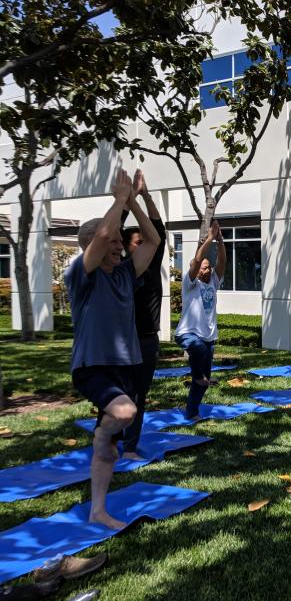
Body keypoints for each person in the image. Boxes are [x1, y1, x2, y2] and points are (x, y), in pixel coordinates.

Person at [66, 168, 161, 529]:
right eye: (114, 243)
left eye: (121, 243)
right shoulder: (82, 274)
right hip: (93, 365)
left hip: (126, 364)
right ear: (94, 246)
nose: (120, 245)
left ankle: (98, 510)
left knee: (110, 444)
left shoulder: (124, 273)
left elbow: (151, 241)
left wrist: (135, 202)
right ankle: (102, 432)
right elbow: (104, 231)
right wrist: (119, 199)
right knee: (121, 415)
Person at [119, 176, 166, 460]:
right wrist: (127, 200)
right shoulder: (119, 269)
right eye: (138, 241)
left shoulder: (152, 264)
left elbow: (158, 230)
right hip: (121, 341)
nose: (145, 244)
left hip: (147, 339)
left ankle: (130, 447)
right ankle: (111, 439)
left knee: (138, 395)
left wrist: (145, 195)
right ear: (126, 246)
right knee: (116, 394)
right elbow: (111, 229)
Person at [174, 220, 226, 419]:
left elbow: (222, 261)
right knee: (199, 353)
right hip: (187, 334)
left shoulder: (213, 281)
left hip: (208, 336)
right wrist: (209, 239)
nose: (206, 270)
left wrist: (219, 241)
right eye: (203, 268)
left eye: (208, 267)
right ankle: (196, 375)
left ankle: (192, 412)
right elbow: (196, 261)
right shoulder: (190, 283)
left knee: (204, 381)